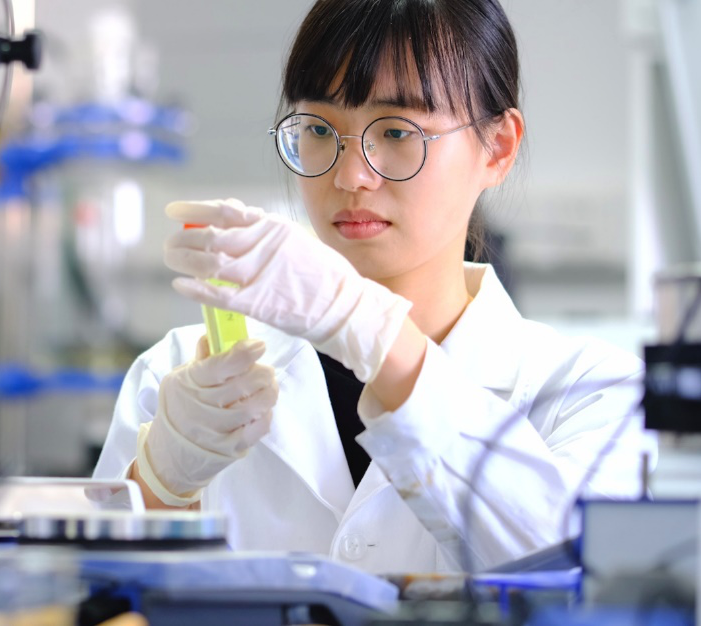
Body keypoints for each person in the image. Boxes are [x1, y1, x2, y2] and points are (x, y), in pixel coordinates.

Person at [93, 0, 654, 573]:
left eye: (396, 131)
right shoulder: (180, 378)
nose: (350, 175)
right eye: (318, 129)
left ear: (499, 147)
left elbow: (577, 568)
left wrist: (370, 329)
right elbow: (92, 596)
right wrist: (162, 480)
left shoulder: (593, 393)